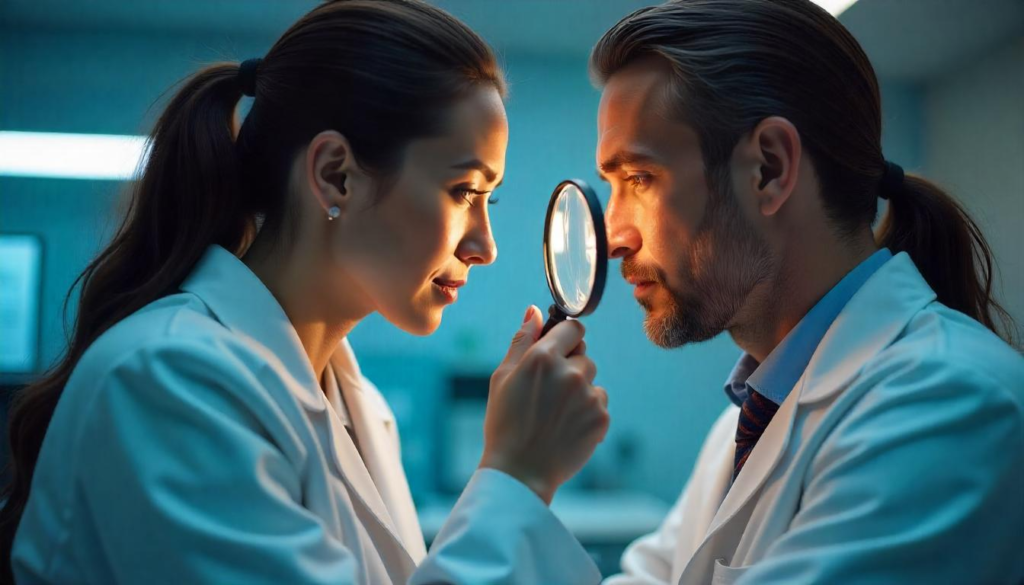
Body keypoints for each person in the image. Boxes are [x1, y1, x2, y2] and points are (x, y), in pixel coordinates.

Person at [0, 1, 610, 583]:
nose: (485, 245)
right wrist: (516, 474)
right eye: (464, 192)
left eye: (489, 199)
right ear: (333, 175)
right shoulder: (166, 381)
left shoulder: (357, 407)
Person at [589, 0, 1024, 583]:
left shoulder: (949, 402)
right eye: (610, 186)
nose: (614, 236)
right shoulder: (746, 421)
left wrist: (514, 485)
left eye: (640, 179)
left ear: (768, 168)